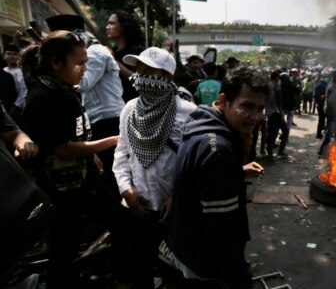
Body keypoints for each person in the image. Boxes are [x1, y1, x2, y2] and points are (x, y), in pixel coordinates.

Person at [22, 31, 119, 288]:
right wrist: (113, 141)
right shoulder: (43, 98)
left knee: (114, 221)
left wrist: (93, 155)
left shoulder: (64, 89)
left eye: (86, 62)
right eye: (79, 64)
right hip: (62, 189)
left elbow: (78, 132)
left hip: (83, 177)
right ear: (56, 63)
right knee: (64, 245)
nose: (84, 69)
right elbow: (63, 149)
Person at [169, 67, 268, 288]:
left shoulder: (201, 122)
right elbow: (222, 232)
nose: (255, 116)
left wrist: (237, 172)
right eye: (247, 106)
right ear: (223, 101)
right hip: (205, 262)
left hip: (186, 246)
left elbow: (199, 182)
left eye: (260, 108)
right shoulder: (220, 153)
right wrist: (238, 277)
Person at [112, 47, 197, 289]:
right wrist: (125, 190)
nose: (141, 76)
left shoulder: (189, 113)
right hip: (137, 206)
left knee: (174, 272)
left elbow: (194, 164)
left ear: (167, 77)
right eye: (139, 70)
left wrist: (178, 196)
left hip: (173, 212)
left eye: (149, 71)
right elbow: (122, 153)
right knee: (140, 269)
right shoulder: (129, 109)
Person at [106, 10, 145, 102]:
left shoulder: (138, 52)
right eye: (107, 24)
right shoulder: (111, 52)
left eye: (112, 24)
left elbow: (141, 81)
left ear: (124, 27)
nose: (107, 27)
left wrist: (114, 62)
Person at [318, 69, 336, 158]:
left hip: (332, 111)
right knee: (330, 132)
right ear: (334, 76)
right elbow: (330, 100)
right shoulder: (331, 86)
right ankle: (321, 151)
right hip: (330, 111)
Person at [265, 71, 288, 159]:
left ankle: (269, 152)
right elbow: (279, 104)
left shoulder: (267, 87)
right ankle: (280, 151)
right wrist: (282, 116)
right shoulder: (277, 88)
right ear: (277, 78)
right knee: (285, 131)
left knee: (271, 133)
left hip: (269, 113)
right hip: (276, 113)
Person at [3, 43, 27, 122]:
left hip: (14, 107)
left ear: (18, 57)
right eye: (8, 54)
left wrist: (15, 108)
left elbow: (23, 93)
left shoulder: (19, 72)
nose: (11, 56)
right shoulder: (3, 70)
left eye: (15, 54)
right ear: (4, 56)